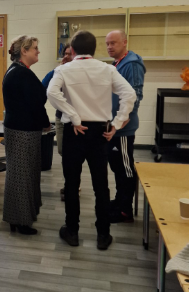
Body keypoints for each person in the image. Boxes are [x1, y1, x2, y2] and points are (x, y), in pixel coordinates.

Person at [47, 30, 136, 250]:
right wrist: (117, 123)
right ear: (95, 49)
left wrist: (74, 116)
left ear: (73, 50)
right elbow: (130, 94)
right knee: (101, 186)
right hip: (100, 133)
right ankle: (103, 235)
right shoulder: (107, 69)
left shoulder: (63, 69)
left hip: (74, 131)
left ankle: (72, 231)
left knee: (71, 184)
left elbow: (51, 92)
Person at [2, 35, 50, 235]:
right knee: (22, 176)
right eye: (35, 48)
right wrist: (45, 123)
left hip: (19, 129)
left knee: (20, 174)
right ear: (24, 50)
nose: (38, 51)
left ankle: (18, 218)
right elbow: (35, 104)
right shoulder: (21, 74)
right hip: (23, 132)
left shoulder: (17, 71)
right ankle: (20, 221)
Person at [105, 30, 146, 223]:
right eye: (107, 44)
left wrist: (125, 117)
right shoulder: (118, 63)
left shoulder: (132, 64)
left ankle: (125, 210)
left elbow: (136, 93)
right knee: (117, 166)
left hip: (123, 128)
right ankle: (120, 201)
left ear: (124, 42)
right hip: (115, 126)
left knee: (125, 168)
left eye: (113, 43)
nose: (109, 47)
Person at [42, 44, 73, 201]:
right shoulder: (59, 71)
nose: (66, 57)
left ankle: (72, 185)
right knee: (62, 151)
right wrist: (56, 70)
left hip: (76, 120)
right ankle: (71, 183)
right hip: (61, 117)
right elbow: (43, 86)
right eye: (65, 54)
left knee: (73, 155)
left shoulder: (79, 72)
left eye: (70, 54)